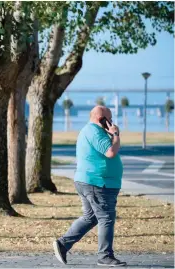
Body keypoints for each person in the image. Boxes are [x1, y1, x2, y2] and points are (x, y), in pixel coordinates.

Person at [53, 105, 126, 267]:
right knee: (106, 218)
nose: (111, 121)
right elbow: (111, 152)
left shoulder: (93, 131)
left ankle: (63, 244)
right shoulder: (94, 131)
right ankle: (105, 256)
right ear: (102, 119)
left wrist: (110, 134)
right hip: (98, 183)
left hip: (90, 181)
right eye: (109, 118)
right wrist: (115, 134)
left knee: (90, 217)